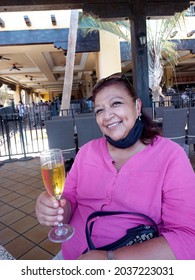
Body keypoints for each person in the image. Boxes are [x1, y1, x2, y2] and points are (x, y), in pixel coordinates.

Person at [36, 73, 195, 260]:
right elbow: (68, 200)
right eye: (99, 110)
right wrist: (53, 211)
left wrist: (110, 259)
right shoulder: (86, 152)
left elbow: (187, 239)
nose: (107, 115)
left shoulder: (170, 156)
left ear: (137, 107)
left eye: (116, 103)